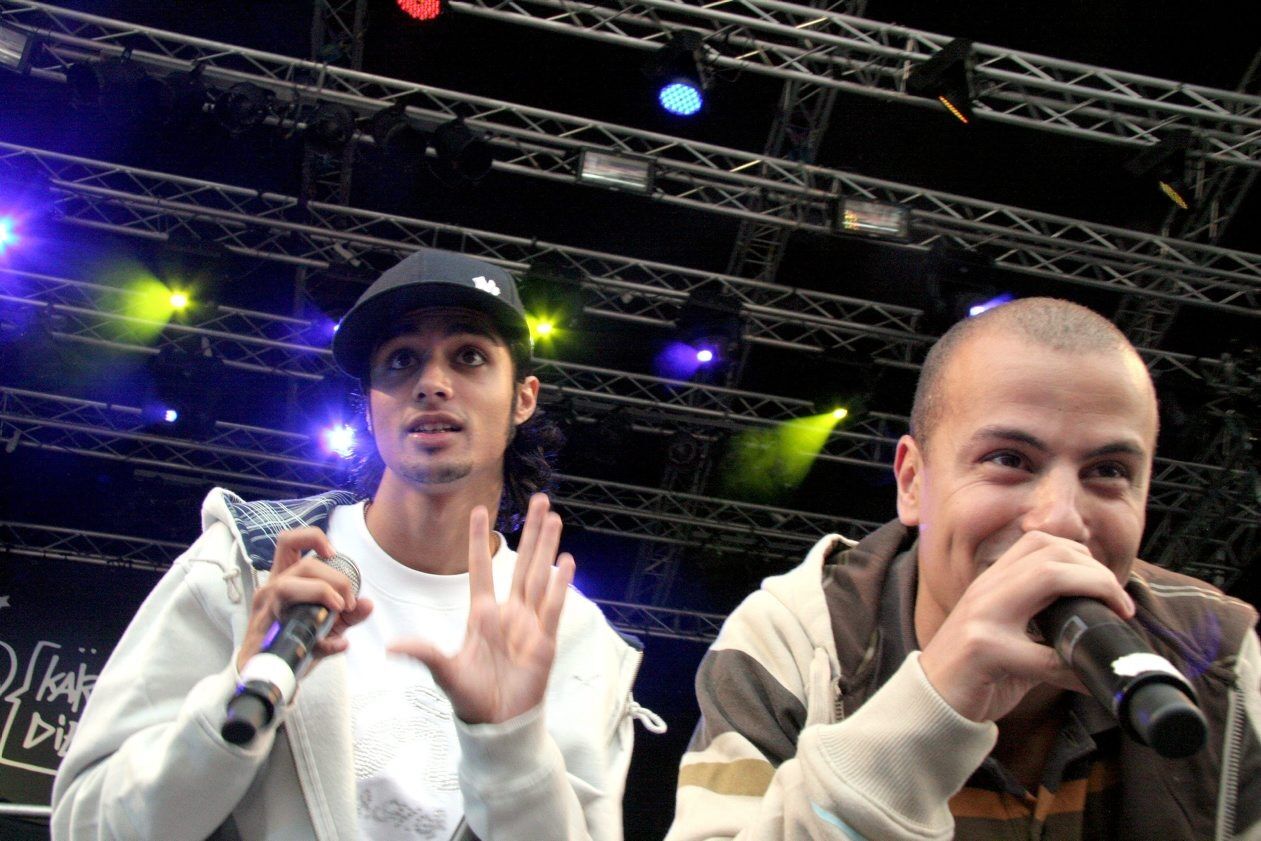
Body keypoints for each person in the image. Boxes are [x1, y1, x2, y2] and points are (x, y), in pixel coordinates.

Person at [52, 248, 657, 840]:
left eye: (469, 356)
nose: (432, 383)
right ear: (368, 408)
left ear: (524, 397)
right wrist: (236, 686)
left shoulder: (572, 637)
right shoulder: (246, 568)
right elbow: (87, 825)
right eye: (400, 361)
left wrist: (511, 748)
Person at [667, 297, 1261, 840]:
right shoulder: (797, 639)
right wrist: (932, 708)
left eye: (1108, 472)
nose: (1059, 519)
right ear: (912, 482)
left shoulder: (1216, 653)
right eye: (1009, 460)